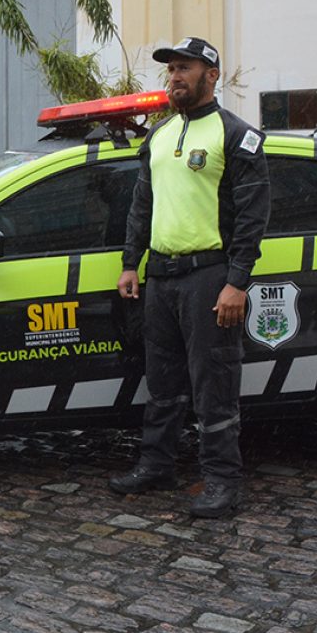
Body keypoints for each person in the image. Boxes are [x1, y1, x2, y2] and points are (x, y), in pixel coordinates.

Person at [109, 37, 270, 519]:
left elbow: (253, 215)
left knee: (213, 385)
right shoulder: (160, 135)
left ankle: (222, 482)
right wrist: (130, 263)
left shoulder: (235, 135)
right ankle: (156, 466)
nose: (175, 76)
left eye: (185, 68)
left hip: (209, 278)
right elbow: (142, 205)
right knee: (162, 383)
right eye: (172, 69)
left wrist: (237, 281)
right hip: (161, 277)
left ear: (211, 75)